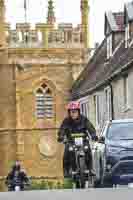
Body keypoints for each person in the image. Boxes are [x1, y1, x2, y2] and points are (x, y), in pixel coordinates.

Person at [58, 101, 96, 177]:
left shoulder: (84, 119)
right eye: (71, 112)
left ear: (78, 112)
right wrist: (61, 136)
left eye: (75, 112)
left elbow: (90, 127)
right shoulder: (66, 121)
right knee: (66, 153)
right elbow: (62, 129)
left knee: (88, 150)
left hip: (83, 140)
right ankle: (66, 170)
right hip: (71, 141)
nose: (73, 114)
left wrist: (93, 135)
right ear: (69, 112)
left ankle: (90, 169)